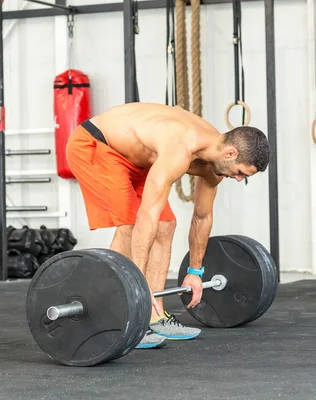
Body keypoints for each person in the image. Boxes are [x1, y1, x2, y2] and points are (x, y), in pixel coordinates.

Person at [65, 102, 270, 349]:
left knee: (166, 224)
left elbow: (202, 217)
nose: (238, 179)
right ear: (231, 154)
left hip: (137, 161)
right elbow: (146, 216)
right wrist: (136, 286)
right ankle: (120, 314)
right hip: (97, 145)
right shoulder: (181, 148)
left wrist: (195, 273)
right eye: (240, 173)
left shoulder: (214, 164)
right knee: (131, 223)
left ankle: (154, 316)